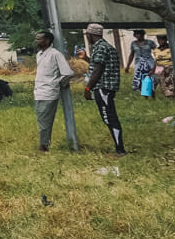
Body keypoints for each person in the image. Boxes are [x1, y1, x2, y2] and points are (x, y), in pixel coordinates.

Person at [82, 22, 126, 154]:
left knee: (109, 118)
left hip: (103, 88)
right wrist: (86, 58)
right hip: (107, 87)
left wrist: (88, 88)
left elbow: (97, 70)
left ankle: (120, 149)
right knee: (109, 117)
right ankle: (119, 147)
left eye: (87, 35)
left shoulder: (100, 48)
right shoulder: (104, 47)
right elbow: (99, 64)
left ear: (91, 35)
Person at [32, 29, 75, 151]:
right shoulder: (39, 55)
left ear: (47, 40)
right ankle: (44, 143)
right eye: (36, 38)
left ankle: (43, 145)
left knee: (45, 120)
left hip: (49, 92)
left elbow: (67, 73)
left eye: (39, 38)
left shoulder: (55, 54)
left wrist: (57, 84)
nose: (37, 41)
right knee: (41, 119)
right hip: (39, 91)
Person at [128, 29, 157, 97]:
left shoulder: (150, 42)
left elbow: (156, 52)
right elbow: (132, 54)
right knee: (139, 78)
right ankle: (144, 93)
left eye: (139, 34)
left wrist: (158, 61)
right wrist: (128, 65)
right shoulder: (133, 43)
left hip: (149, 62)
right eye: (136, 34)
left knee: (152, 77)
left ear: (142, 34)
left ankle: (152, 92)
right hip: (139, 63)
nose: (137, 36)